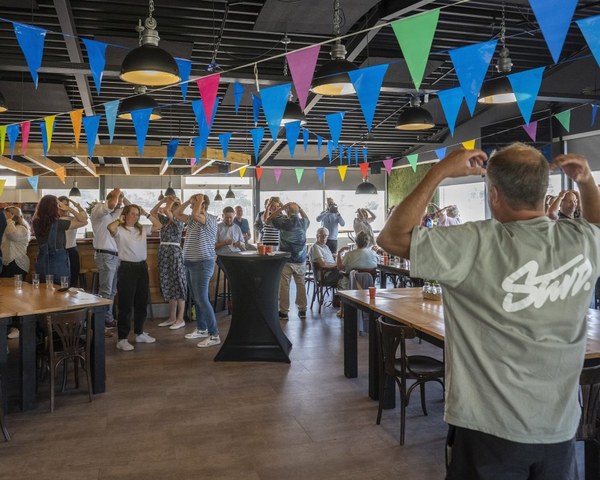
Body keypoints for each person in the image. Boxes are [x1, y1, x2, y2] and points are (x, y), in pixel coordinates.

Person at [377, 144, 600, 479]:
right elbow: (596, 224)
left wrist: (438, 172)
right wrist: (586, 183)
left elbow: (392, 237)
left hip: (488, 429)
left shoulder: (474, 243)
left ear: (494, 195)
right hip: (560, 426)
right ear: (544, 192)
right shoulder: (581, 242)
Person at [108, 203, 162, 351]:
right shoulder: (119, 228)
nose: (135, 216)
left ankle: (139, 333)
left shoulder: (142, 229)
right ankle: (122, 339)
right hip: (127, 268)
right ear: (125, 214)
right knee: (126, 305)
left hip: (141, 267)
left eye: (137, 214)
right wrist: (120, 219)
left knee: (141, 303)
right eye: (132, 213)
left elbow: (159, 225)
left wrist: (146, 213)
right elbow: (110, 228)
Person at [173, 194, 221, 348]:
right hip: (190, 264)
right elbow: (177, 214)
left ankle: (214, 335)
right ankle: (202, 329)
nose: (192, 207)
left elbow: (195, 213)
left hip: (202, 264)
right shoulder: (193, 219)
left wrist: (199, 199)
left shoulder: (210, 219)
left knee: (202, 299)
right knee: (197, 298)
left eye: (194, 204)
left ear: (203, 205)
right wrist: (188, 201)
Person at [91, 188, 128, 330]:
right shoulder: (98, 210)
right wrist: (117, 193)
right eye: (118, 201)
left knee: (112, 291)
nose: (119, 205)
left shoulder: (117, 212)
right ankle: (100, 323)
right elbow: (111, 205)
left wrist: (122, 198)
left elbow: (132, 208)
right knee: (105, 290)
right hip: (105, 254)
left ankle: (108, 319)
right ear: (110, 198)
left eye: (120, 202)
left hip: (117, 255)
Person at [266, 200, 310, 320]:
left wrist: (281, 208)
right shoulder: (304, 222)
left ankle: (284, 312)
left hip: (286, 259)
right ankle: (302, 310)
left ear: (287, 211)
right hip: (300, 259)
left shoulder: (284, 222)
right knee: (301, 284)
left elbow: (268, 219)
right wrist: (299, 208)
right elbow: (306, 217)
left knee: (284, 285)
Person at [32, 195, 88, 284]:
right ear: (54, 207)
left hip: (42, 262)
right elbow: (84, 221)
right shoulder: (60, 223)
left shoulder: (36, 222)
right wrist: (69, 209)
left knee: (42, 292)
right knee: (61, 292)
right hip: (58, 263)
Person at [153, 196, 187, 330]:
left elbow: (167, 210)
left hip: (174, 253)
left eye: (175, 207)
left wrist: (171, 201)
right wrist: (162, 200)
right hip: (164, 252)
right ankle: (172, 317)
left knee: (178, 284)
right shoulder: (165, 220)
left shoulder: (178, 220)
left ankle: (180, 318)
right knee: (168, 284)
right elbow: (153, 212)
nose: (171, 208)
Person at [58, 196, 88, 287]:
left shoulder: (73, 219)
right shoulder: (54, 220)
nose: (64, 208)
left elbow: (85, 216)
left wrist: (74, 206)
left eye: (66, 205)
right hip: (60, 251)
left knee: (73, 279)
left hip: (72, 250)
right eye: (61, 205)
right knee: (60, 280)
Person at [0, 206, 31, 278]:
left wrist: (9, 220)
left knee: (16, 287)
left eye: (5, 214)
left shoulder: (21, 228)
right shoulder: (8, 227)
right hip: (7, 263)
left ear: (12, 215)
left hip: (17, 263)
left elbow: (12, 235)